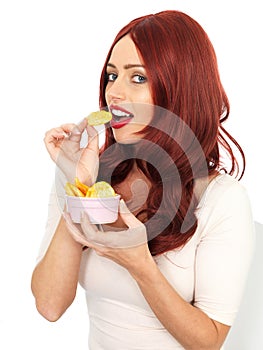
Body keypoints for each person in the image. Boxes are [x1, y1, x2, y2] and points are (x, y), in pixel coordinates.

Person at [31, 10, 255, 350]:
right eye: (111, 76)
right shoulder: (86, 174)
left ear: (178, 89)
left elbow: (209, 342)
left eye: (138, 78)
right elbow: (49, 305)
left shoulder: (223, 199)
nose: (114, 93)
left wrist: (141, 266)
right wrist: (77, 185)